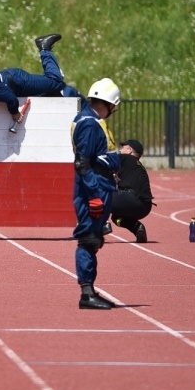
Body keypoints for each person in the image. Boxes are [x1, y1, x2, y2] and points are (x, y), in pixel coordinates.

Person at [71, 77, 122, 310]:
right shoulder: (90, 123)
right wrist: (93, 194)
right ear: (109, 104)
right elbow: (82, 163)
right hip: (94, 187)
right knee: (89, 239)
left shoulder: (90, 119)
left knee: (94, 239)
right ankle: (87, 293)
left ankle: (90, 290)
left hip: (100, 185)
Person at [107, 139, 153, 242]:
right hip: (145, 207)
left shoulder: (126, 158)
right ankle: (137, 227)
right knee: (117, 218)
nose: (120, 150)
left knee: (99, 197)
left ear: (129, 151)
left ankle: (102, 226)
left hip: (130, 199)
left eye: (123, 147)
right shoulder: (139, 166)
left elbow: (105, 160)